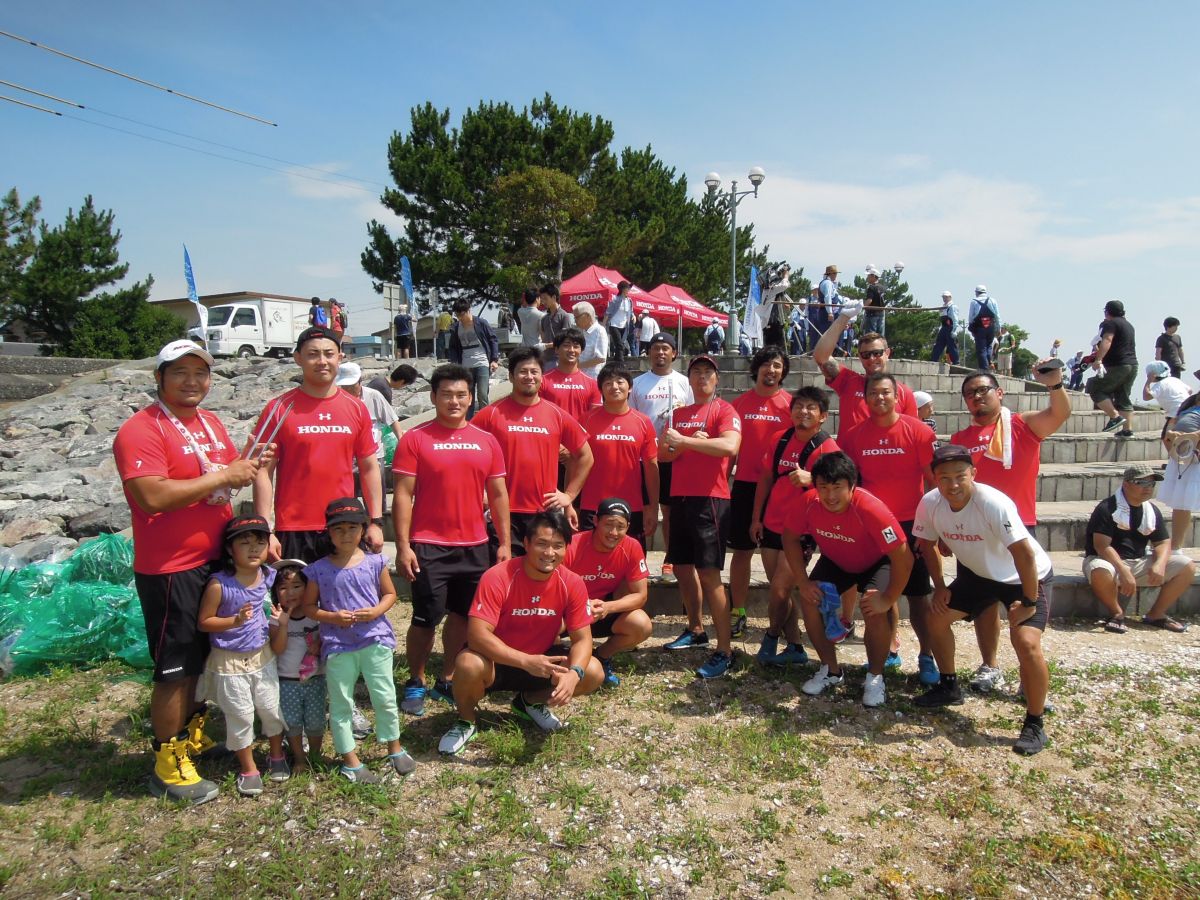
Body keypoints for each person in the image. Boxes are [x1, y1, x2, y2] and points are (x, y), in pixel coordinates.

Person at [113, 339, 262, 804]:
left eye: (200, 373)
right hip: (171, 567)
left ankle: (190, 738)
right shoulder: (141, 429)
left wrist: (249, 469)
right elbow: (151, 497)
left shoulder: (211, 422)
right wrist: (224, 477)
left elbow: (222, 475)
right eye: (180, 372)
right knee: (175, 668)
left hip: (213, 560)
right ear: (159, 378)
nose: (192, 381)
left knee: (202, 657)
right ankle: (166, 762)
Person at [911, 445, 1055, 756]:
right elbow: (927, 545)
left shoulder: (992, 503)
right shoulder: (930, 503)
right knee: (934, 617)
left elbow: (1024, 554)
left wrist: (1029, 600)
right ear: (933, 479)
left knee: (1027, 642)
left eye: (960, 476)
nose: (953, 485)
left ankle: (1034, 721)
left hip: (1024, 577)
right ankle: (949, 686)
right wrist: (939, 586)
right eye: (944, 478)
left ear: (973, 474)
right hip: (979, 575)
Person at [393, 363, 511, 716]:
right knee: (425, 618)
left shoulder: (486, 441)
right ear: (433, 397)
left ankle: (446, 675)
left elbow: (500, 494)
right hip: (429, 545)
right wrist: (402, 546)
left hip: (475, 545)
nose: (454, 401)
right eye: (446, 394)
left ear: (471, 397)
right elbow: (402, 495)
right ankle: (415, 679)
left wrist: (503, 543)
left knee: (462, 616)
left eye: (461, 394)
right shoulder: (416, 439)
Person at [437, 511, 604, 755]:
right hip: (497, 662)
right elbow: (477, 635)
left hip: (542, 661)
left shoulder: (572, 582)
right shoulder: (498, 576)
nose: (549, 553)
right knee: (467, 663)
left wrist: (574, 674)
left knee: (593, 671)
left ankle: (530, 703)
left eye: (558, 546)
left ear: (567, 548)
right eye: (542, 544)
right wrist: (525, 661)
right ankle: (466, 721)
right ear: (526, 543)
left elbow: (583, 638)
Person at [951, 364, 1070, 692]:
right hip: (975, 533)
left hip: (1018, 532)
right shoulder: (960, 439)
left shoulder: (1022, 425)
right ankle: (989, 665)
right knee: (983, 606)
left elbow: (1060, 413)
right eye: (969, 394)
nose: (976, 397)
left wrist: (1055, 383)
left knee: (1024, 611)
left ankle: (1028, 674)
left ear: (999, 393)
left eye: (982, 390)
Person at [781, 452, 913, 708]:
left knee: (873, 607)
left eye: (838, 488)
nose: (830, 496)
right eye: (824, 488)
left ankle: (875, 677)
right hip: (837, 560)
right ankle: (831, 670)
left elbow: (903, 559)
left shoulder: (871, 508)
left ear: (852, 486)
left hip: (876, 562)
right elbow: (789, 538)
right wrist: (803, 581)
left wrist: (888, 599)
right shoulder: (808, 502)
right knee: (809, 600)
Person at [299, 497, 417, 783]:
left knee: (385, 696)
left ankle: (394, 746)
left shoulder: (376, 562)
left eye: (353, 527)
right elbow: (309, 607)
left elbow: (390, 595)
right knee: (341, 703)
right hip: (338, 645)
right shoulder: (318, 569)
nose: (346, 534)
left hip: (374, 639)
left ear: (363, 530)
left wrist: (375, 611)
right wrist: (332, 617)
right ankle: (349, 759)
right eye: (338, 529)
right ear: (328, 532)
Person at [838, 372, 940, 684]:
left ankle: (927, 656)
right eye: (873, 393)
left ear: (898, 397)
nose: (879, 398)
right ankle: (889, 651)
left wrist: (939, 528)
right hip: (873, 525)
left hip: (912, 524)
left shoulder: (919, 431)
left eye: (886, 393)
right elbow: (848, 485)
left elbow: (934, 482)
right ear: (864, 398)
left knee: (919, 596)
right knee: (882, 593)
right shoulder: (853, 437)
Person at [253, 326, 384, 565]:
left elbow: (369, 468)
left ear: (340, 357)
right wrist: (265, 529)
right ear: (298, 358)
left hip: (344, 525)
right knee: (295, 602)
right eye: (313, 354)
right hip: (293, 527)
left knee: (345, 602)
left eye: (329, 354)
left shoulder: (355, 407)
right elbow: (263, 471)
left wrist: (375, 522)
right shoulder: (279, 408)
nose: (322, 361)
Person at [658, 354, 743, 679]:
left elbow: (729, 446)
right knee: (681, 566)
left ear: (716, 379)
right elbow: (664, 453)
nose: (702, 377)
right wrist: (691, 444)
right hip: (679, 497)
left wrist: (688, 442)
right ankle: (695, 629)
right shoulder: (679, 413)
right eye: (696, 372)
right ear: (689, 379)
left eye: (708, 372)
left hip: (710, 499)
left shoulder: (724, 410)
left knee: (709, 574)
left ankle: (725, 649)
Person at [197, 515, 289, 795]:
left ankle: (277, 755)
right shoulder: (219, 584)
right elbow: (204, 622)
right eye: (244, 543)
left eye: (259, 542)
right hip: (229, 661)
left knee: (271, 709)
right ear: (229, 549)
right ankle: (248, 768)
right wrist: (232, 622)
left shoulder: (269, 576)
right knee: (240, 716)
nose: (253, 549)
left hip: (263, 656)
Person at [474, 346, 594, 552]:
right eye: (522, 371)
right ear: (511, 376)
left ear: (542, 376)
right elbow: (467, 457)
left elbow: (586, 456)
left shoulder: (556, 414)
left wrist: (569, 497)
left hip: (545, 511)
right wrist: (480, 492)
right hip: (504, 512)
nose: (529, 376)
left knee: (543, 578)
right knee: (506, 577)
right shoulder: (490, 415)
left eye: (534, 372)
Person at [752, 386, 840, 665]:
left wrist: (812, 479)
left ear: (823, 416)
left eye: (811, 407)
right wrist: (756, 517)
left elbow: (839, 489)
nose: (803, 411)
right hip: (772, 523)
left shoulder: (829, 448)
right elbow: (765, 479)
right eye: (799, 406)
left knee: (779, 589)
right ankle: (795, 646)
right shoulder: (779, 439)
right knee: (779, 590)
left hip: (802, 530)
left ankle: (770, 636)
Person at [1083, 464, 1196, 634]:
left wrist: (1159, 564)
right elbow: (1101, 545)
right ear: (1126, 484)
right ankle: (1117, 613)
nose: (1147, 488)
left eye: (1151, 484)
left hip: (1139, 561)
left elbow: (1162, 543)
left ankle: (1156, 614)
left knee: (1187, 566)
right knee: (1099, 569)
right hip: (1109, 561)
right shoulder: (1107, 508)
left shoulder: (1151, 510)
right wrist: (1123, 570)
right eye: (1141, 483)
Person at [728, 347, 793, 640]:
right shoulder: (739, 404)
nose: (771, 370)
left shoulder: (792, 405)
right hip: (744, 485)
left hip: (781, 488)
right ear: (756, 369)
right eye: (766, 364)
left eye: (777, 366)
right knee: (742, 552)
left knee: (777, 558)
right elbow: (730, 449)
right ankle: (738, 612)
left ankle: (780, 619)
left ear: (783, 371)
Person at [563, 498, 654, 686]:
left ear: (628, 527)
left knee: (641, 624)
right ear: (596, 521)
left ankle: (602, 656)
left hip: (601, 610)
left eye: (620, 526)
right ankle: (553, 664)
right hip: (570, 612)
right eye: (609, 525)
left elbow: (640, 595)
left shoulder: (632, 546)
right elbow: (554, 588)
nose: (613, 533)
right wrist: (580, 607)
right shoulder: (573, 545)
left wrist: (607, 607)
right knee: (546, 624)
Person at [630, 333, 693, 580]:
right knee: (645, 508)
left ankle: (670, 559)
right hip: (645, 458)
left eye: (665, 348)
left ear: (674, 353)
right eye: (655, 348)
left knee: (670, 512)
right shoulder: (637, 383)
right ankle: (636, 561)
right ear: (648, 353)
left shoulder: (685, 383)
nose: (660, 353)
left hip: (675, 457)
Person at [579, 364, 659, 545]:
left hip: (632, 507)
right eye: (608, 383)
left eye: (619, 382)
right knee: (588, 564)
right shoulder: (586, 419)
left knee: (630, 565)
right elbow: (575, 463)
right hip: (592, 506)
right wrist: (571, 502)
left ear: (630, 387)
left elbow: (651, 468)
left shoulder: (643, 422)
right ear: (600, 390)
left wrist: (652, 508)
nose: (614, 387)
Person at [814, 315, 919, 435]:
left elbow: (912, 431)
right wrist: (843, 318)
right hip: (850, 453)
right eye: (866, 354)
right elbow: (821, 357)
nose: (872, 358)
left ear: (887, 353)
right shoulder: (848, 381)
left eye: (877, 353)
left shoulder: (904, 392)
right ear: (859, 357)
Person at [270, 559, 326, 773]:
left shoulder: (317, 615)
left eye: (296, 586)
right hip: (287, 681)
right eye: (283, 588)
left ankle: (314, 755)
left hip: (316, 679)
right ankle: (299, 758)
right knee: (292, 722)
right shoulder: (277, 618)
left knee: (315, 721)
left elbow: (328, 639)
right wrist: (283, 625)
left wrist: (319, 643)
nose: (290, 592)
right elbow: (278, 648)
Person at [338, 362, 402, 504]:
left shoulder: (374, 396)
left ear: (360, 381)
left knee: (375, 498)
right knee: (348, 498)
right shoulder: (337, 399)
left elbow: (393, 420)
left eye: (351, 385)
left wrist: (402, 443)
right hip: (347, 457)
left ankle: (378, 522)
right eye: (344, 386)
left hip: (374, 455)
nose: (348, 389)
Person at [1088, 300, 1138, 437]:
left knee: (1095, 387)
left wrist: (1098, 359)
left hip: (1118, 365)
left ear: (1107, 312)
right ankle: (1127, 430)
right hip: (1132, 365)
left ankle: (1115, 416)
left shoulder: (1110, 324)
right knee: (1123, 396)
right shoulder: (1129, 325)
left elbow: (1107, 340)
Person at [1159, 393, 1200, 549]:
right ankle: (1176, 547)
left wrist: (1193, 435)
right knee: (1182, 504)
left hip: (1193, 454)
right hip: (1183, 457)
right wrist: (1173, 437)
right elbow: (1169, 431)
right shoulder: (1189, 404)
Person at [447, 299, 500, 419]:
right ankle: (468, 421)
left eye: (462, 314)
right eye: (457, 315)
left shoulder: (481, 323)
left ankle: (486, 420)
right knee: (467, 395)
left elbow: (493, 340)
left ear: (468, 310)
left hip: (482, 362)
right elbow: (453, 347)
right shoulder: (456, 328)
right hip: (465, 365)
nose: (460, 317)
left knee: (482, 394)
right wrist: (454, 364)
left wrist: (494, 359)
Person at [539, 328, 602, 423]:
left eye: (576, 346)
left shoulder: (592, 384)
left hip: (581, 436)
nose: (571, 350)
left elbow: (594, 418)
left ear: (581, 350)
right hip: (552, 435)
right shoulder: (542, 381)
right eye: (566, 345)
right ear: (556, 349)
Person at [535, 283, 574, 370]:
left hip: (558, 359)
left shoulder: (564, 316)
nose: (543, 302)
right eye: (542, 299)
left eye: (545, 298)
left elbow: (565, 340)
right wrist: (542, 346)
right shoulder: (544, 318)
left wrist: (545, 346)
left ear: (554, 297)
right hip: (545, 358)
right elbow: (543, 337)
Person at [1143, 361, 1191, 426]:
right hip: (1189, 408)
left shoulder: (1160, 384)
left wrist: (1148, 381)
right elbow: (1190, 391)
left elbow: (1146, 397)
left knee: (1167, 435)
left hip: (1176, 413)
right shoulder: (1175, 380)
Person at [572, 301, 608, 379]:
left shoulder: (599, 331)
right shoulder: (582, 331)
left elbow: (601, 358)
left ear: (587, 316)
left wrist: (577, 366)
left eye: (577, 317)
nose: (575, 321)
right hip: (580, 376)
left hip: (593, 377)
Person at [968, 286, 999, 370]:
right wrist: (998, 328)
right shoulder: (992, 300)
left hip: (980, 327)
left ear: (977, 292)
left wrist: (971, 327)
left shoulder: (974, 302)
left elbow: (971, 317)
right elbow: (997, 316)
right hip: (991, 327)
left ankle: (984, 369)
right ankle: (989, 362)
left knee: (981, 349)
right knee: (989, 346)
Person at [603, 281, 634, 363]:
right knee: (619, 344)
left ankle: (616, 362)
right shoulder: (615, 299)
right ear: (623, 289)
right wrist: (603, 325)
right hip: (614, 324)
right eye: (628, 288)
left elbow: (630, 311)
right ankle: (621, 363)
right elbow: (607, 312)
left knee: (620, 345)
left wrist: (633, 316)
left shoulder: (629, 301)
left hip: (624, 325)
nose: (629, 290)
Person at [931, 291, 959, 364]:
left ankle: (956, 362)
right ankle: (933, 360)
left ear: (950, 297)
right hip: (944, 328)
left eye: (946, 297)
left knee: (951, 346)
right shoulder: (943, 306)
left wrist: (954, 330)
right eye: (943, 297)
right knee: (938, 344)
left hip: (950, 328)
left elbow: (955, 319)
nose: (945, 298)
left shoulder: (952, 306)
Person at [806, 284, 829, 355]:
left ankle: (820, 353)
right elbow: (806, 311)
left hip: (820, 320)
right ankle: (811, 353)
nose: (815, 291)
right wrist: (807, 323)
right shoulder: (809, 299)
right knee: (813, 338)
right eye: (814, 290)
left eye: (816, 289)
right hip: (812, 320)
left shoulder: (822, 299)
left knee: (821, 337)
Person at [863, 266, 886, 336]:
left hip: (872, 313)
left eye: (868, 276)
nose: (867, 278)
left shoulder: (871, 287)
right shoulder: (882, 287)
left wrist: (862, 307)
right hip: (881, 312)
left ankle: (871, 347)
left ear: (873, 276)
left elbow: (869, 300)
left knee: (871, 335)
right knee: (880, 334)